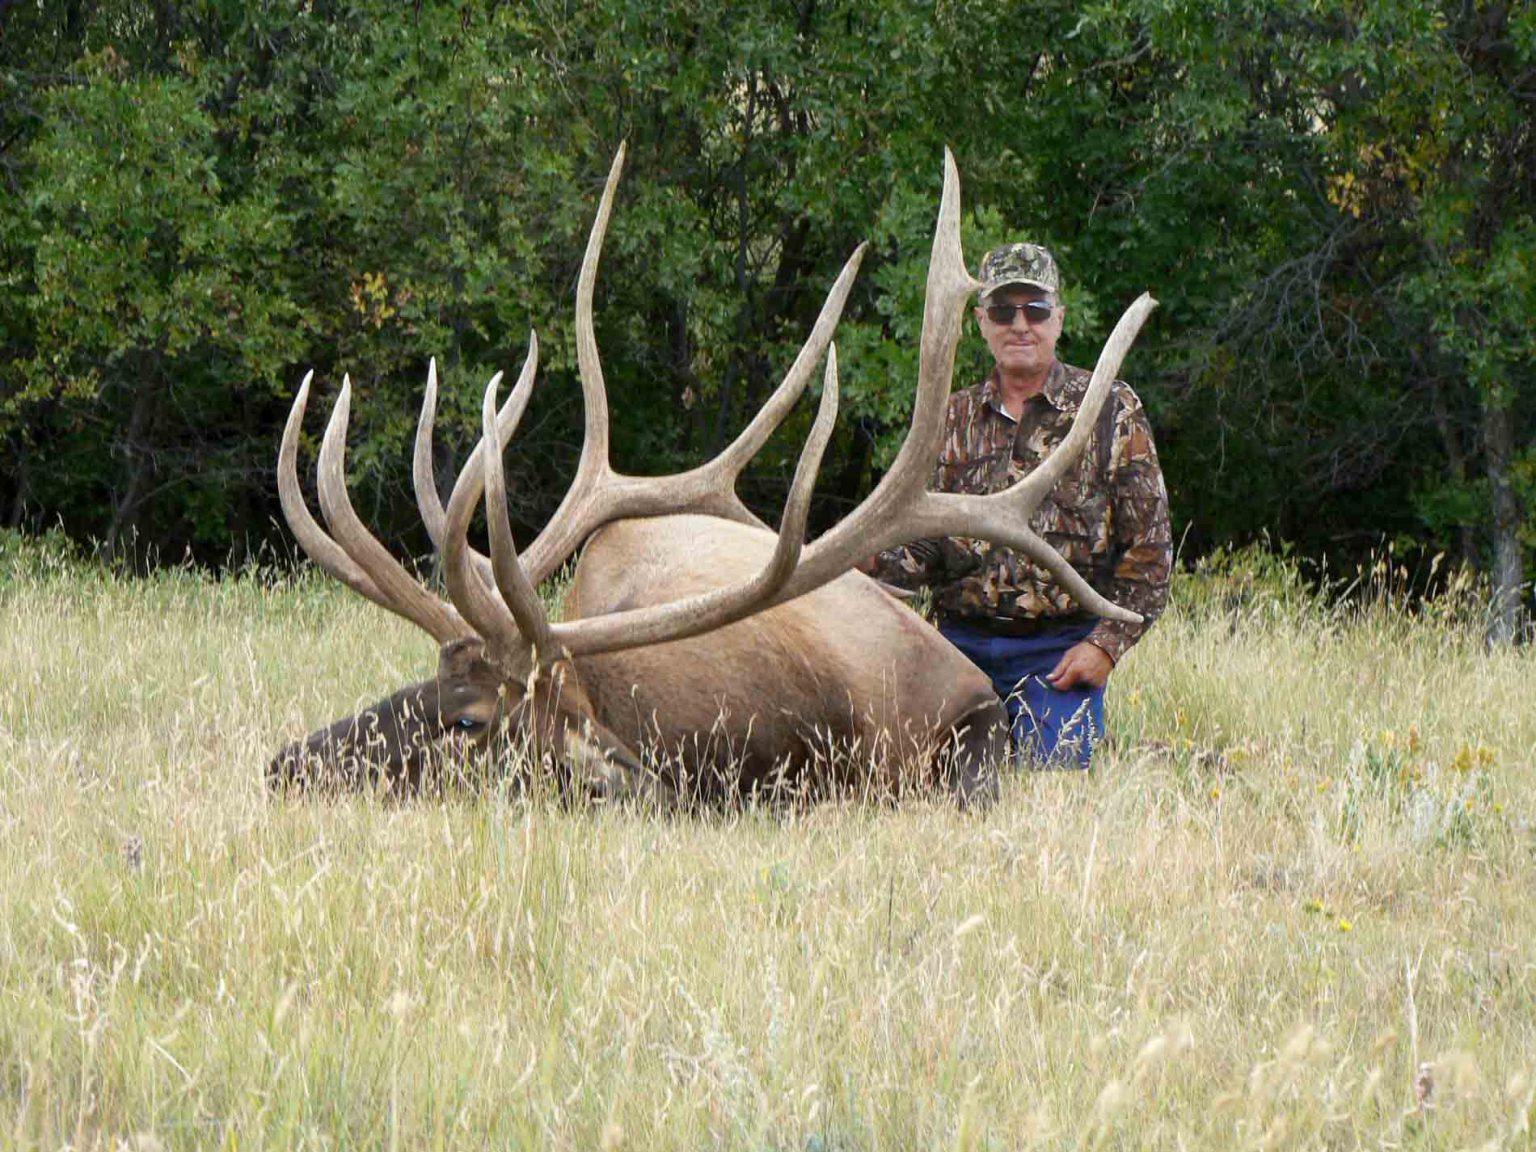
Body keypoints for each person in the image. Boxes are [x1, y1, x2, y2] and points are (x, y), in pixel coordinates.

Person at [868, 243, 1172, 769]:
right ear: (982, 322)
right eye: (1004, 311)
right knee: (911, 772)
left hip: (1055, 652)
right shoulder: (948, 417)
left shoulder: (1109, 411)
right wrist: (864, 562)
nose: (1020, 325)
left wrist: (1104, 647)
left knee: (1051, 773)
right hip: (955, 649)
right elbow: (920, 550)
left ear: (1059, 318)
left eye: (1034, 310)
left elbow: (1151, 552)